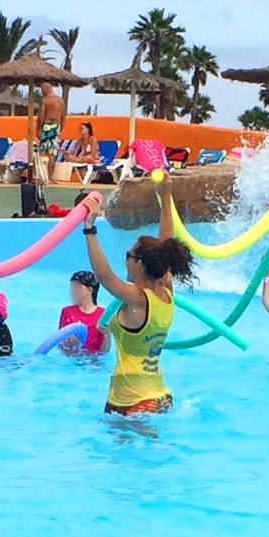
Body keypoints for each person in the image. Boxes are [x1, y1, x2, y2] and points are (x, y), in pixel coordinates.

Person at [81, 175, 192, 416]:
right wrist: (164, 196)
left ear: (139, 264)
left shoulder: (138, 298)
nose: (125, 260)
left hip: (136, 401)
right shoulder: (165, 290)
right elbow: (166, 244)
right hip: (154, 395)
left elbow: (104, 276)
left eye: (128, 256)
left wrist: (89, 229)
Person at [56, 269, 107, 355]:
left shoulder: (102, 315)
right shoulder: (67, 312)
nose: (72, 291)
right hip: (72, 359)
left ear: (90, 290)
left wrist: (107, 335)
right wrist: (68, 343)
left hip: (92, 361)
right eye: (71, 287)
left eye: (77, 287)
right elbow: (59, 345)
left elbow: (104, 352)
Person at [37, 81, 64, 181]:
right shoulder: (61, 101)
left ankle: (37, 175)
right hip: (56, 126)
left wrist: (39, 129)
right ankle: (50, 177)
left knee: (39, 152)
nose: (41, 91)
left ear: (45, 89)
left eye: (42, 89)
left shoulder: (45, 100)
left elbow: (41, 116)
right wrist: (60, 128)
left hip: (47, 126)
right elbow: (63, 117)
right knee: (52, 154)